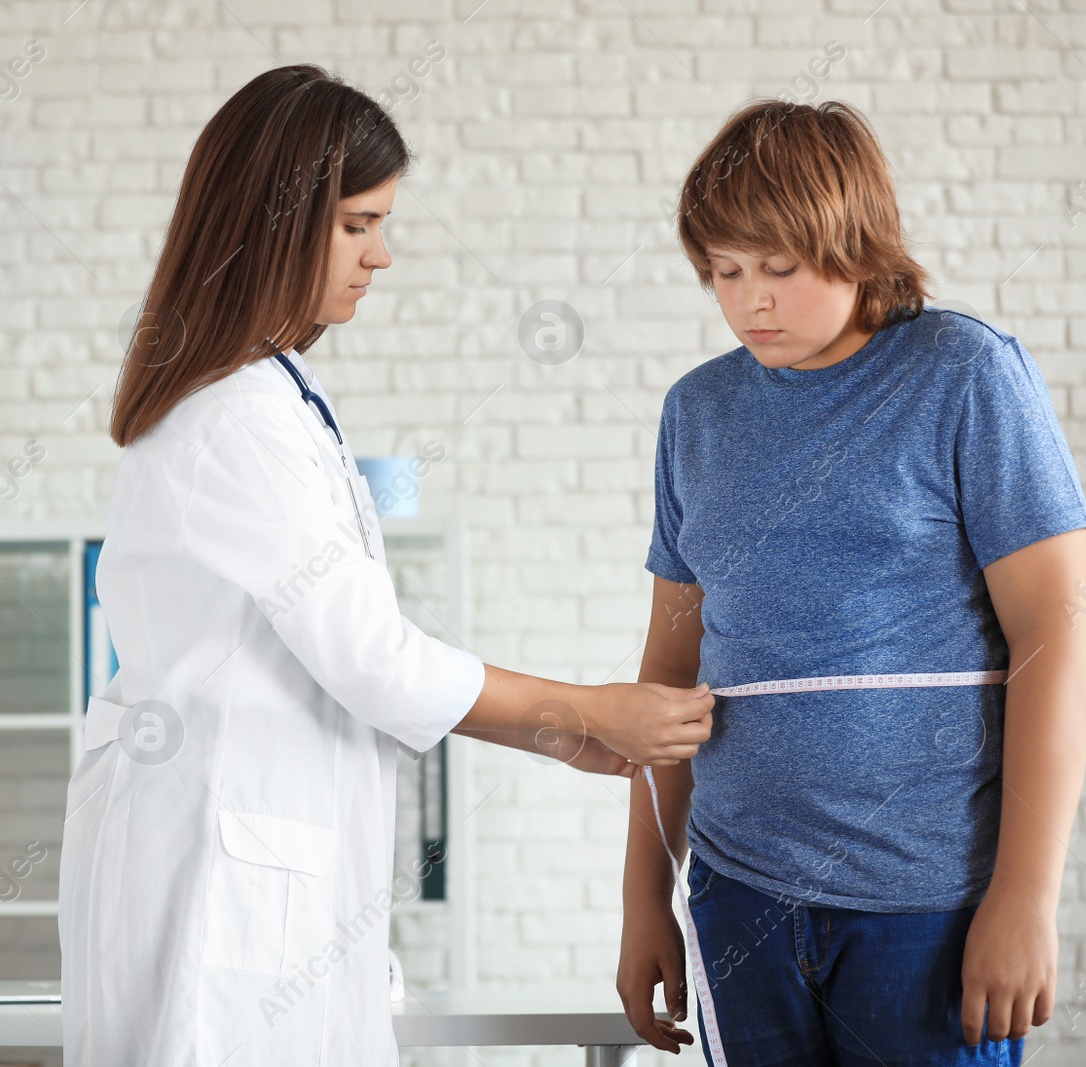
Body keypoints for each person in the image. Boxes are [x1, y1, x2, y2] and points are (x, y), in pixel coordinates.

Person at [58, 65, 716, 1067]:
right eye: (358, 224)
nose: (383, 254)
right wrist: (583, 712)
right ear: (277, 221)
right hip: (217, 879)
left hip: (259, 860)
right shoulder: (232, 419)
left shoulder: (271, 396)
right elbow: (373, 659)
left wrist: (565, 726)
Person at [616, 99, 1086, 1066]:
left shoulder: (967, 375)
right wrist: (644, 901)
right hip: (735, 894)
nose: (752, 300)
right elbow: (668, 667)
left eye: (779, 269)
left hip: (927, 902)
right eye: (725, 272)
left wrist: (1025, 896)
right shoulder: (696, 413)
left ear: (855, 242)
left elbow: (1057, 628)